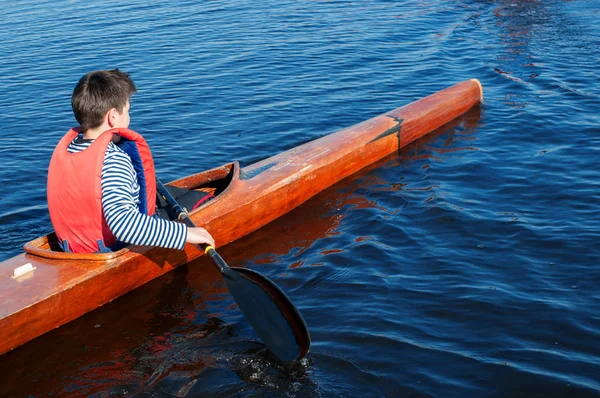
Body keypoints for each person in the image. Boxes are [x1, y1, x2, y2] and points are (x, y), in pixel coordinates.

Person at [47, 69, 215, 253]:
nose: (129, 118)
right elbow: (124, 225)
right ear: (113, 117)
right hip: (112, 247)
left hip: (75, 245)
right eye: (127, 111)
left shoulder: (69, 151)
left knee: (165, 194)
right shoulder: (112, 159)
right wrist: (185, 234)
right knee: (204, 200)